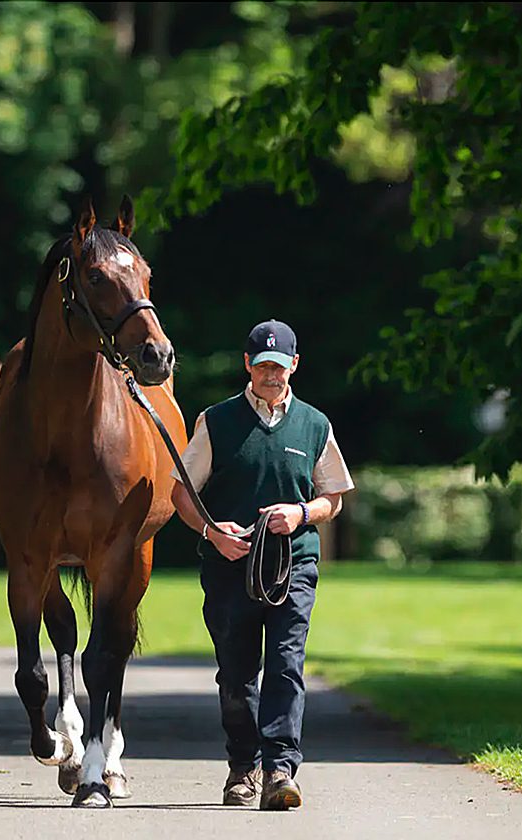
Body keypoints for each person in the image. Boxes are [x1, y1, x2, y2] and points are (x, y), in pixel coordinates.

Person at [170, 318, 355, 811]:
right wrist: (213, 532)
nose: (272, 375)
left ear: (294, 365)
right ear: (248, 365)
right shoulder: (217, 421)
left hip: (294, 565)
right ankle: (242, 766)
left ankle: (279, 770)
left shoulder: (314, 425)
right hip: (231, 567)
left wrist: (300, 514)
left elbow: (332, 497)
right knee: (236, 674)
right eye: (263, 366)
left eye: (280, 366)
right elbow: (181, 493)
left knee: (286, 665)